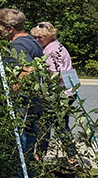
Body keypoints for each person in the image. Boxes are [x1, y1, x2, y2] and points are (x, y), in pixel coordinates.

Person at [0, 7, 45, 178]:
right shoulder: (32, 42)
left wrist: (11, 92)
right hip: (33, 103)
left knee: (18, 148)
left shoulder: (19, 46)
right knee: (27, 149)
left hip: (21, 105)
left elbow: (28, 70)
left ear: (9, 28)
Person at [32, 21, 76, 158]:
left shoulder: (50, 51)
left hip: (59, 94)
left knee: (46, 126)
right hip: (68, 91)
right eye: (35, 37)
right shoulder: (58, 47)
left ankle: (40, 158)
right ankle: (71, 157)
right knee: (62, 126)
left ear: (50, 36)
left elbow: (55, 74)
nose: (37, 40)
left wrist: (38, 70)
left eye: (41, 37)